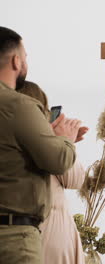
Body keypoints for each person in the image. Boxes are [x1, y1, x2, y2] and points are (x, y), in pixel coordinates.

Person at [0, 26, 79, 264]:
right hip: (13, 237)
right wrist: (64, 138)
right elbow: (57, 160)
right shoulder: (18, 105)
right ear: (16, 61)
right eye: (25, 57)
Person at [17, 81, 87, 264]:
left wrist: (65, 144)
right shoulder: (41, 140)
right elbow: (75, 178)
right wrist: (63, 142)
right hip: (49, 236)